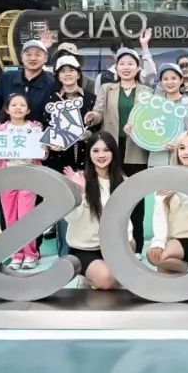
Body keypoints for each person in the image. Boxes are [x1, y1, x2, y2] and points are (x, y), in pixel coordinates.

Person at [85, 47, 153, 253]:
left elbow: (150, 119)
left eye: (130, 63)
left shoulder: (146, 91)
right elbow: (98, 112)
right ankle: (113, 243)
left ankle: (137, 246)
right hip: (111, 149)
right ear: (116, 67)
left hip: (136, 149)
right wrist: (92, 117)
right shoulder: (107, 88)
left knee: (136, 197)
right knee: (112, 195)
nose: (126, 67)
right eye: (122, 63)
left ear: (138, 68)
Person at [43, 55, 99, 257]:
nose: (67, 74)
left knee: (87, 203)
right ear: (58, 76)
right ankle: (64, 253)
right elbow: (45, 126)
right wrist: (50, 142)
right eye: (63, 71)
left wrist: (88, 134)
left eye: (71, 70)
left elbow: (98, 127)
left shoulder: (91, 98)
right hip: (59, 160)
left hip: (85, 160)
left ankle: (86, 249)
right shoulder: (50, 100)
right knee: (62, 204)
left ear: (78, 73)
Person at [0, 94, 45, 269]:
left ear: (28, 110)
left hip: (29, 177)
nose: (18, 108)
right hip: (6, 178)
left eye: (22, 105)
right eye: (14, 105)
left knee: (26, 217)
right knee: (10, 218)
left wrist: (45, 145)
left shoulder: (35, 129)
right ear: (7, 109)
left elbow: (43, 155)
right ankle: (17, 254)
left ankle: (31, 254)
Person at [61, 131, 130, 290]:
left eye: (106, 150)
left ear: (114, 152)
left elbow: (125, 220)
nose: (101, 155)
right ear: (89, 153)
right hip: (84, 248)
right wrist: (82, 193)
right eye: (96, 150)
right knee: (106, 279)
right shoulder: (78, 179)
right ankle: (87, 276)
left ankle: (105, 273)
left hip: (112, 247)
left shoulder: (123, 181)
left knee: (129, 249)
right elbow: (70, 218)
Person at [146, 130, 188, 273]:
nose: (186, 152)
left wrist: (180, 190)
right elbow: (160, 213)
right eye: (182, 148)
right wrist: (158, 241)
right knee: (153, 257)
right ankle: (187, 273)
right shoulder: (168, 178)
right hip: (170, 239)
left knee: (161, 258)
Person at [0, 39, 57, 124]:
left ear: (45, 58)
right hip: (8, 130)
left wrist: (44, 125)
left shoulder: (52, 82)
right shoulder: (6, 78)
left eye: (38, 55)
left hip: (39, 131)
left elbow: (54, 112)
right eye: (28, 54)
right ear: (22, 57)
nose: (33, 58)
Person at [147, 63, 188, 168]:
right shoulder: (154, 106)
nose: (169, 82)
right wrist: (134, 130)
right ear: (161, 82)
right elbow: (147, 131)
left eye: (173, 78)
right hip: (157, 161)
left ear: (181, 80)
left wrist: (180, 145)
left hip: (183, 162)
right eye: (165, 79)